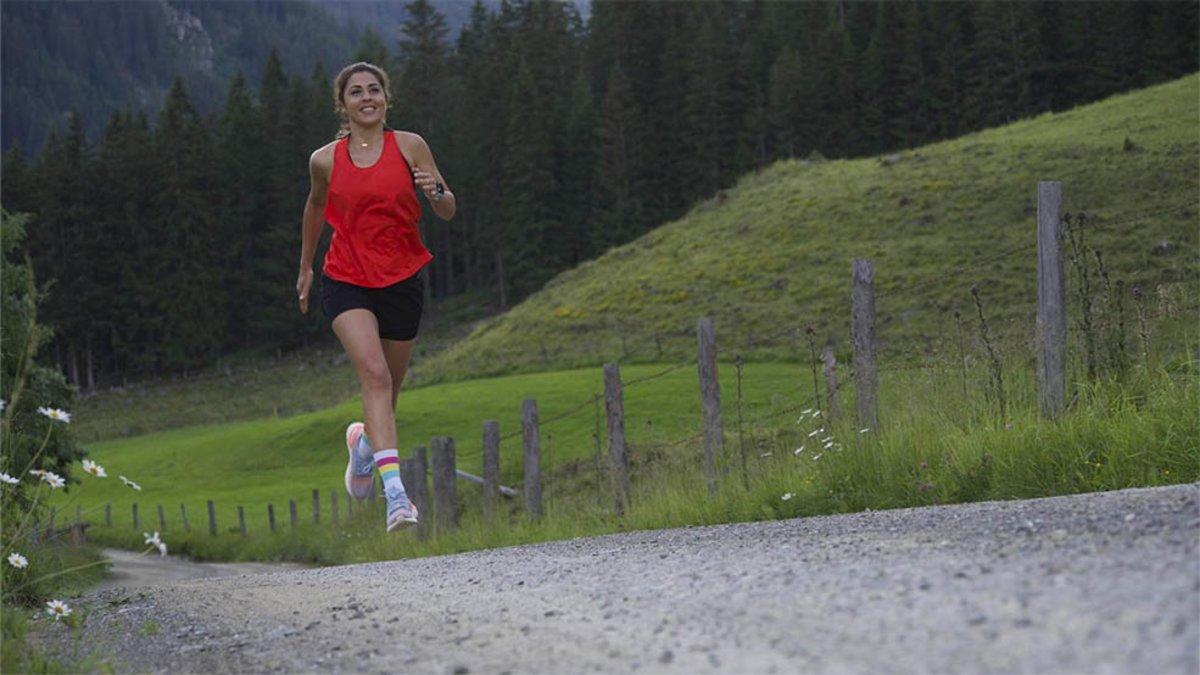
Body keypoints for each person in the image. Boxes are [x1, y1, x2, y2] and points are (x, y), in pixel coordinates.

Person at [296, 62, 456, 531]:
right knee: (375, 375)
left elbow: (447, 209)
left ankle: (363, 448)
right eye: (356, 92)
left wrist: (437, 191)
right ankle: (397, 498)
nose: (367, 98)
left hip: (403, 279)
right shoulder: (324, 160)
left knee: (390, 392)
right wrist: (306, 266)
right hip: (346, 277)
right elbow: (314, 206)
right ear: (342, 105)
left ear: (386, 97)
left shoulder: (411, 146)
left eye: (374, 90)